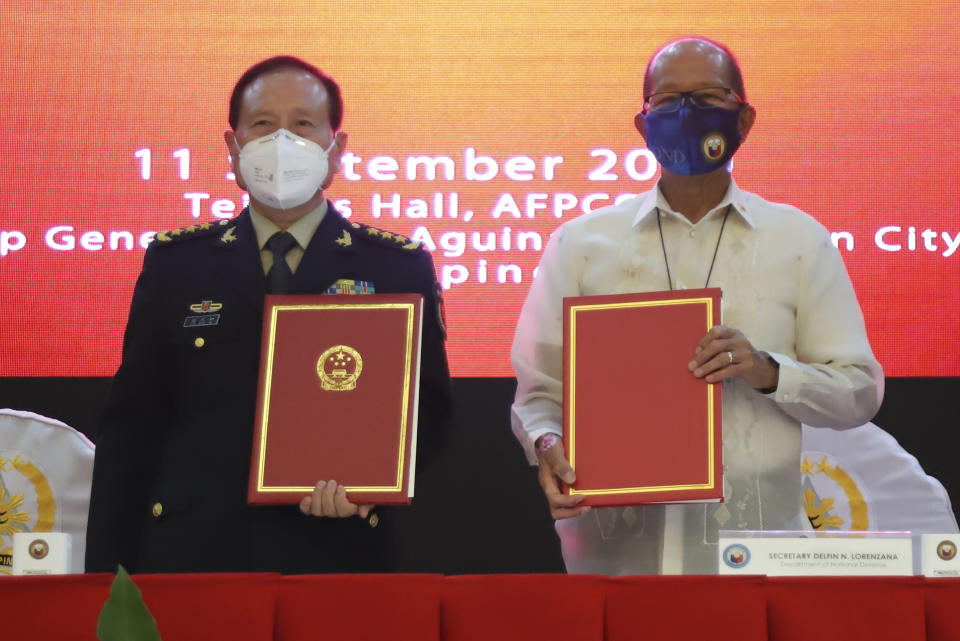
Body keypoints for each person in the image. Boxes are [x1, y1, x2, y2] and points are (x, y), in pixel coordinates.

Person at [510, 38, 883, 574]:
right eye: (667, 102)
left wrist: (768, 371)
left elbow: (859, 391)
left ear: (745, 118)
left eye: (709, 97)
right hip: (617, 559)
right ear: (642, 126)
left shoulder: (798, 240)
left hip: (756, 558)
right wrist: (546, 443)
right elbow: (539, 393)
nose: (687, 115)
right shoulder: (583, 243)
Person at [85, 56, 452, 574]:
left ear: (336, 149)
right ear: (233, 148)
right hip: (193, 559)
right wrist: (106, 579)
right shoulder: (177, 265)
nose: (283, 142)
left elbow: (429, 413)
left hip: (336, 556)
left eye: (303, 124)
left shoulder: (395, 266)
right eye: (263, 124)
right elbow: (132, 429)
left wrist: (372, 484)